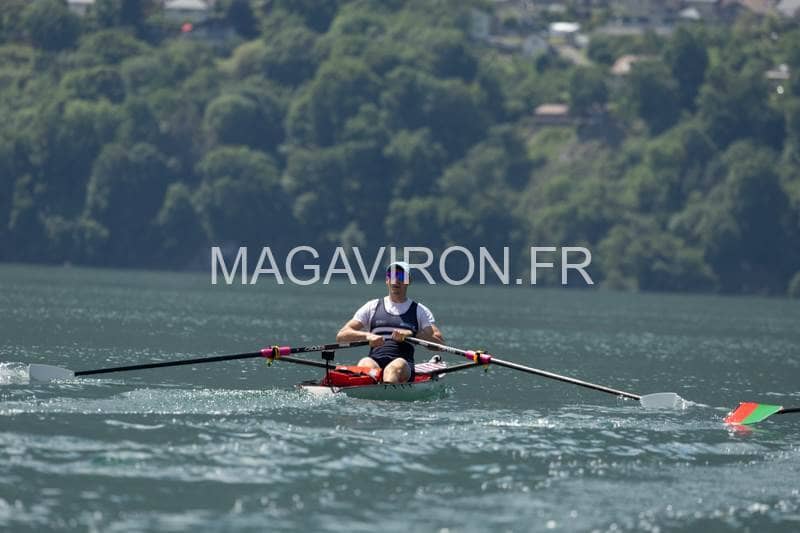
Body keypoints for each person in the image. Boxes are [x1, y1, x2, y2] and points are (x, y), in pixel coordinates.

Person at [336, 261, 444, 383]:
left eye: (401, 276)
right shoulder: (372, 306)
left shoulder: (420, 310)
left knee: (394, 367)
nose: (396, 280)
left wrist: (411, 334)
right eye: (392, 276)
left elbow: (439, 344)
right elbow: (341, 336)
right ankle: (368, 389)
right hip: (375, 361)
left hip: (403, 364)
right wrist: (367, 336)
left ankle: (386, 390)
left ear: (409, 281)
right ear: (387, 280)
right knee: (364, 363)